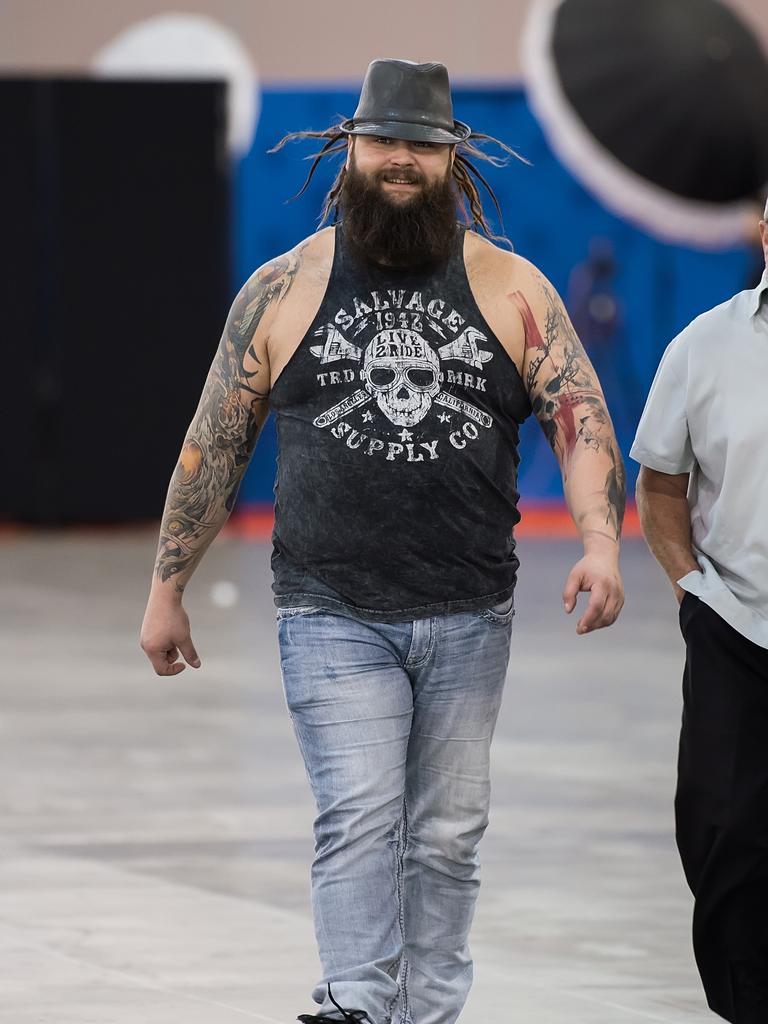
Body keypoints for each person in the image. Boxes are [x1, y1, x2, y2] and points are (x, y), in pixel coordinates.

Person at [140, 58, 626, 1024]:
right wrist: (167, 587)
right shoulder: (284, 288)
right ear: (349, 149)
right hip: (330, 606)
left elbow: (581, 415)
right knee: (361, 814)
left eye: (423, 145)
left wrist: (603, 543)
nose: (401, 160)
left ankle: (430, 1009)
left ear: (454, 160)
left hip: (469, 608)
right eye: (384, 142)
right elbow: (214, 443)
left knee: (446, 834)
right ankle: (357, 1005)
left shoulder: (510, 286)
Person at [632, 199, 768, 1024]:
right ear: (766, 227)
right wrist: (691, 591)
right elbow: (660, 484)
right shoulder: (704, 345)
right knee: (722, 833)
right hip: (738, 629)